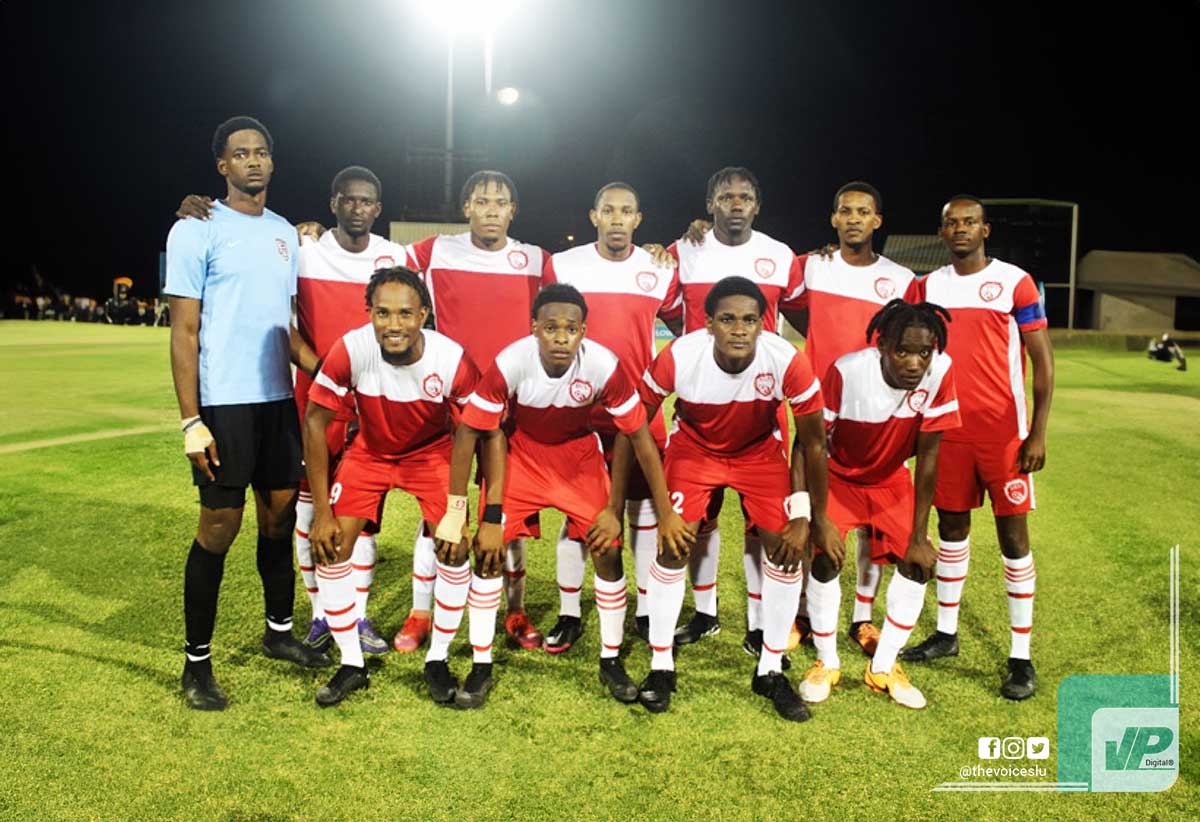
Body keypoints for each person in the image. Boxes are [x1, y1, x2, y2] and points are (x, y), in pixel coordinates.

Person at [174, 166, 408, 657]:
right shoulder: (303, 248)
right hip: (298, 403)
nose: (357, 208)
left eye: (367, 201)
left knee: (346, 510)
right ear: (333, 202)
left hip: (351, 404)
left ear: (378, 208)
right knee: (287, 513)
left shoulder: (392, 254)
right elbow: (275, 318)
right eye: (348, 199)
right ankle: (318, 616)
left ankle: (332, 619)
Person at [448, 283, 692, 707]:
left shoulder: (603, 364)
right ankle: (481, 663)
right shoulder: (511, 361)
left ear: (584, 331)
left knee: (608, 551)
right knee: (488, 554)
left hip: (579, 459)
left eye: (571, 329)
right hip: (522, 456)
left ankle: (611, 659)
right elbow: (471, 431)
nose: (561, 337)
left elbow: (636, 437)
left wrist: (621, 509)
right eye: (551, 328)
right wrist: (467, 514)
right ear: (534, 328)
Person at [165, 116, 330, 711]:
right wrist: (192, 420)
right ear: (222, 166)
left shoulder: (286, 233)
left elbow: (284, 328)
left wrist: (327, 372)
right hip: (225, 403)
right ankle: (196, 665)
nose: (253, 162)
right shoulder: (195, 228)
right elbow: (184, 332)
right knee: (218, 527)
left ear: (271, 163)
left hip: (277, 400)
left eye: (261, 152)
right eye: (240, 154)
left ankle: (279, 633)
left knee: (279, 520)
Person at [634, 276, 838, 721]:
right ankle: (661, 664)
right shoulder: (680, 356)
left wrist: (806, 514)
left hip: (758, 454)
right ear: (709, 324)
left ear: (763, 325)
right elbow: (635, 426)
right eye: (727, 319)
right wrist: (665, 511)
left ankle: (768, 669)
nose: (739, 329)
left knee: (785, 552)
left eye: (749, 319)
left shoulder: (787, 359)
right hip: (694, 449)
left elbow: (814, 444)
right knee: (673, 547)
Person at [303, 267, 481, 706]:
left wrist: (458, 508)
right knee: (330, 547)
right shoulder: (351, 349)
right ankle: (351, 664)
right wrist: (323, 510)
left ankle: (437, 659)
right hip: (370, 452)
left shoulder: (452, 359)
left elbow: (471, 432)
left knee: (454, 548)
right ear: (369, 313)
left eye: (405, 313)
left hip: (430, 453)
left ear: (424, 313)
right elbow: (314, 419)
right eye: (382, 313)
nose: (394, 324)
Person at [650, 167, 808, 660]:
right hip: (700, 409)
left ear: (756, 205)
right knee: (699, 521)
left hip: (761, 409)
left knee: (764, 526)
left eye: (744, 197)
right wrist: (656, 250)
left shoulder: (781, 256)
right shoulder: (684, 251)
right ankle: (705, 612)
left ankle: (762, 626)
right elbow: (668, 310)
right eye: (725, 196)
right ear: (710, 203)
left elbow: (808, 314)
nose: (735, 203)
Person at [901, 195, 1054, 701]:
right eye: (951, 222)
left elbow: (1042, 358)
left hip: (1002, 434)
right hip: (948, 430)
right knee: (952, 529)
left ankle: (1021, 657)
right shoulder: (928, 287)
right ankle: (946, 634)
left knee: (1013, 540)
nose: (960, 229)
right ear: (941, 232)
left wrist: (1037, 433)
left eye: (969, 221)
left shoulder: (1015, 282)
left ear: (985, 229)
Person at [401, 171, 553, 652]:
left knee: (505, 512)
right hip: (448, 405)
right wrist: (313, 235)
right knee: (437, 512)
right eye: (482, 201)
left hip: (511, 410)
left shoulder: (535, 260)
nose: (491, 209)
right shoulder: (429, 253)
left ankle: (515, 610)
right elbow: (371, 265)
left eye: (501, 201)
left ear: (513, 211)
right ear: (466, 206)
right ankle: (420, 611)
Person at [798, 300, 959, 710]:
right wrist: (814, 516)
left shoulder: (941, 371)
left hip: (890, 480)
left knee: (918, 562)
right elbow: (809, 444)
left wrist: (920, 534)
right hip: (838, 476)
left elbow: (929, 457)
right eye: (903, 350)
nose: (914, 363)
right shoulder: (848, 371)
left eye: (924, 352)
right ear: (882, 344)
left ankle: (883, 667)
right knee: (826, 559)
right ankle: (827, 661)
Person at [540, 182, 681, 648]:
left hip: (639, 410)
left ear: (638, 220)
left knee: (641, 513)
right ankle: (568, 612)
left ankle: (642, 609)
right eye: (608, 210)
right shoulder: (563, 265)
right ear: (593, 216)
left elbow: (686, 326)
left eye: (627, 211)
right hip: (578, 409)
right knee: (576, 514)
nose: (617, 218)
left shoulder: (659, 268)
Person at [790, 181, 921, 656]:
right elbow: (787, 305)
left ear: (877, 221)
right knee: (809, 506)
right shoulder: (813, 266)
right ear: (833, 219)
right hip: (816, 405)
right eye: (844, 211)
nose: (853, 219)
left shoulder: (901, 279)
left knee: (873, 521)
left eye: (863, 211)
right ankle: (804, 613)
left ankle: (862, 619)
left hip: (877, 414)